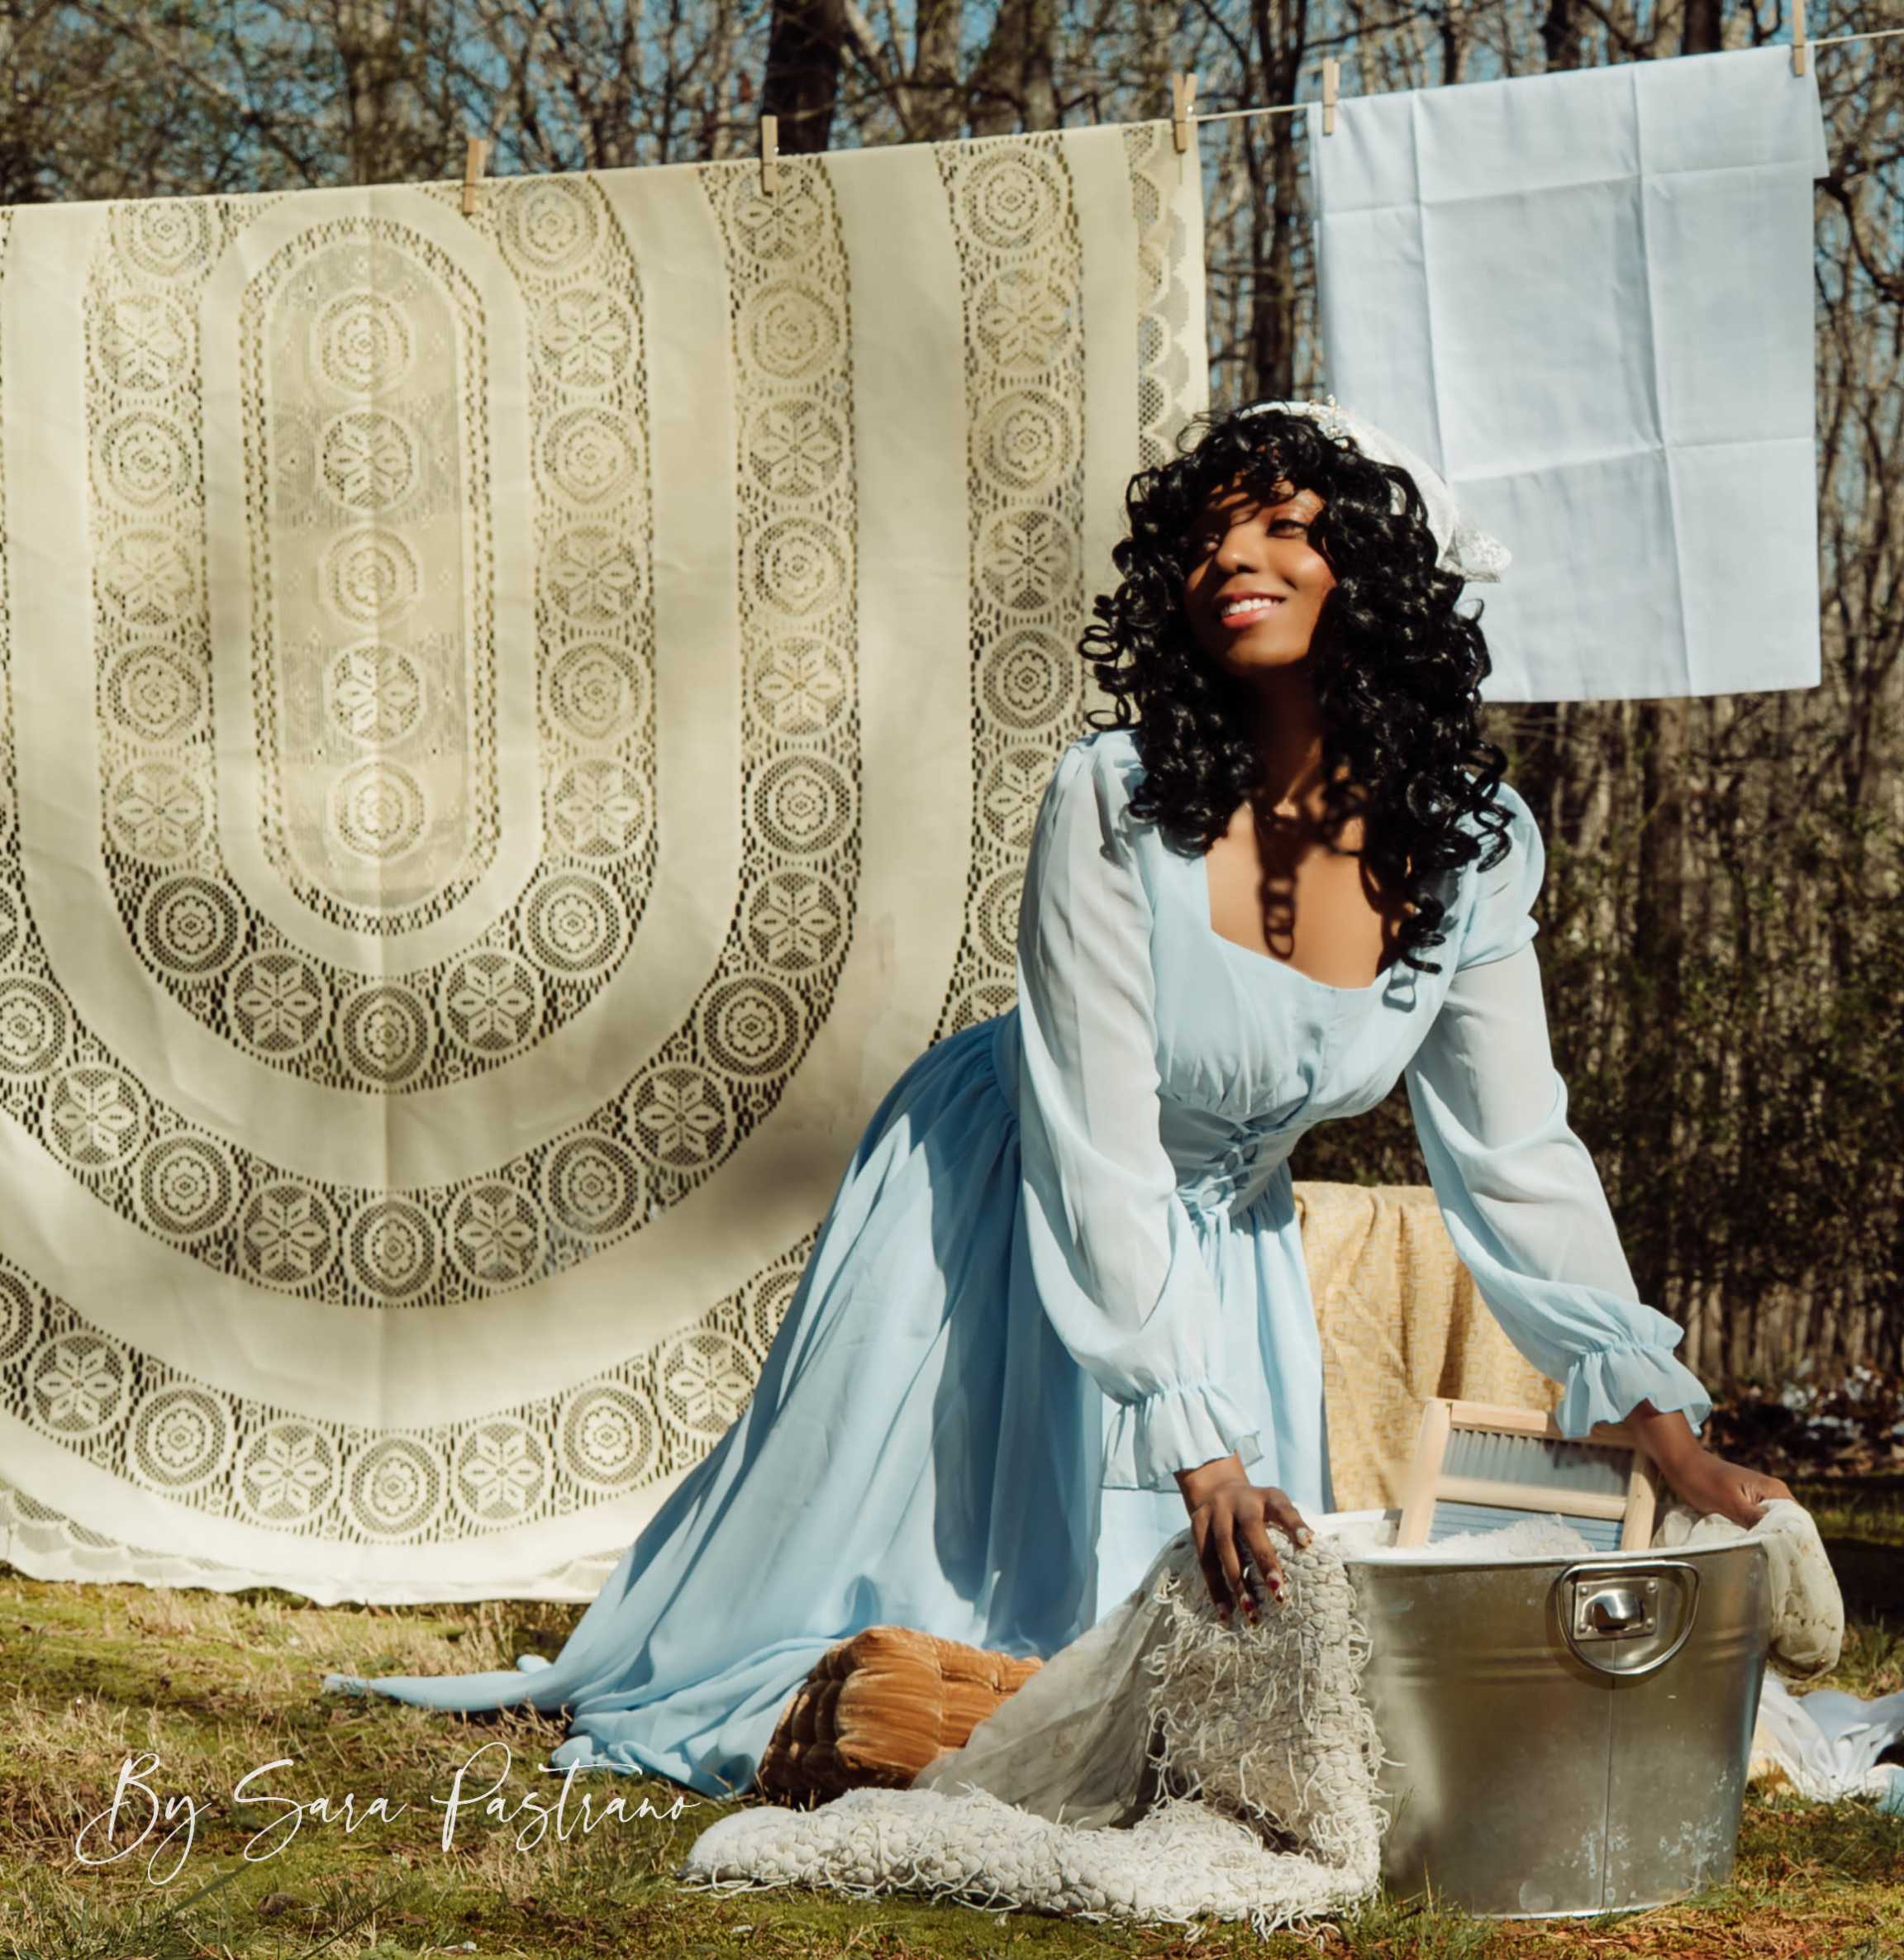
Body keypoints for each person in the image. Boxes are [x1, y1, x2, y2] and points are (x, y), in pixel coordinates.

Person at [322, 399, 1788, 1796]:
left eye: (1284, 525)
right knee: (967, 1655)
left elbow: (1518, 1149)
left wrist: (1644, 1404)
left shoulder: (1473, 850)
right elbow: (1095, 1131)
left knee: (1226, 1687)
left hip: (1228, 1248)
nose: (1234, 560)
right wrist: (1193, 1438)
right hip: (1005, 1201)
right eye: (1210, 536)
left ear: (1386, 573)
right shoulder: (1115, 799)